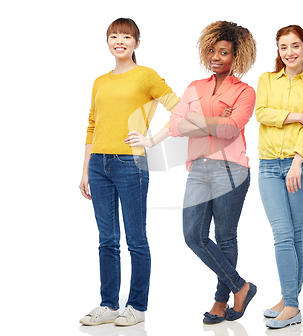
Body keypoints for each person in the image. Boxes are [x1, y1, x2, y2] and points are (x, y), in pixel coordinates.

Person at [79, 18, 180, 327]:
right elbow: (92, 125)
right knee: (106, 239)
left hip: (130, 165)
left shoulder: (145, 76)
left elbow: (180, 108)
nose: (119, 40)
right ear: (107, 41)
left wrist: (151, 140)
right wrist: (84, 170)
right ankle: (109, 305)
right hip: (98, 165)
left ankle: (136, 306)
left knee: (136, 239)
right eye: (113, 36)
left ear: (137, 43)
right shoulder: (100, 81)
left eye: (126, 36)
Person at [168, 21, 257, 324]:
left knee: (225, 237)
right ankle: (241, 286)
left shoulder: (245, 91)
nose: (216, 57)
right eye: (212, 51)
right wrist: (215, 119)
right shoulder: (194, 86)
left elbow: (231, 130)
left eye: (224, 53)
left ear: (236, 58)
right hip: (198, 167)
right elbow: (173, 126)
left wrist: (198, 120)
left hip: (231, 169)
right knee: (193, 235)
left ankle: (221, 301)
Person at [256, 25, 303, 329]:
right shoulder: (266, 80)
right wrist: (298, 116)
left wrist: (299, 160)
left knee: (297, 232)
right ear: (278, 51)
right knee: (282, 233)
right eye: (283, 47)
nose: (289, 53)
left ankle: (291, 303)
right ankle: (290, 301)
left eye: (295, 46)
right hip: (269, 165)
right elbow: (262, 113)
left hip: (302, 164)